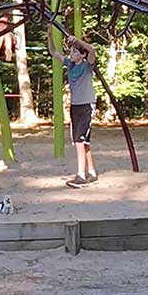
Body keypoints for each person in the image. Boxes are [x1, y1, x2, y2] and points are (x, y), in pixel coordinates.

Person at [47, 25, 98, 188]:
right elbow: (53, 52)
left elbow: (92, 51)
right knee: (84, 141)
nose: (72, 54)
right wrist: (49, 35)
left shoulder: (87, 65)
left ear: (82, 55)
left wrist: (78, 41)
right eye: (72, 51)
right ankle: (92, 172)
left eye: (76, 52)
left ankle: (81, 175)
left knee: (79, 140)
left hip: (87, 105)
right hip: (75, 106)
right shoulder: (70, 64)